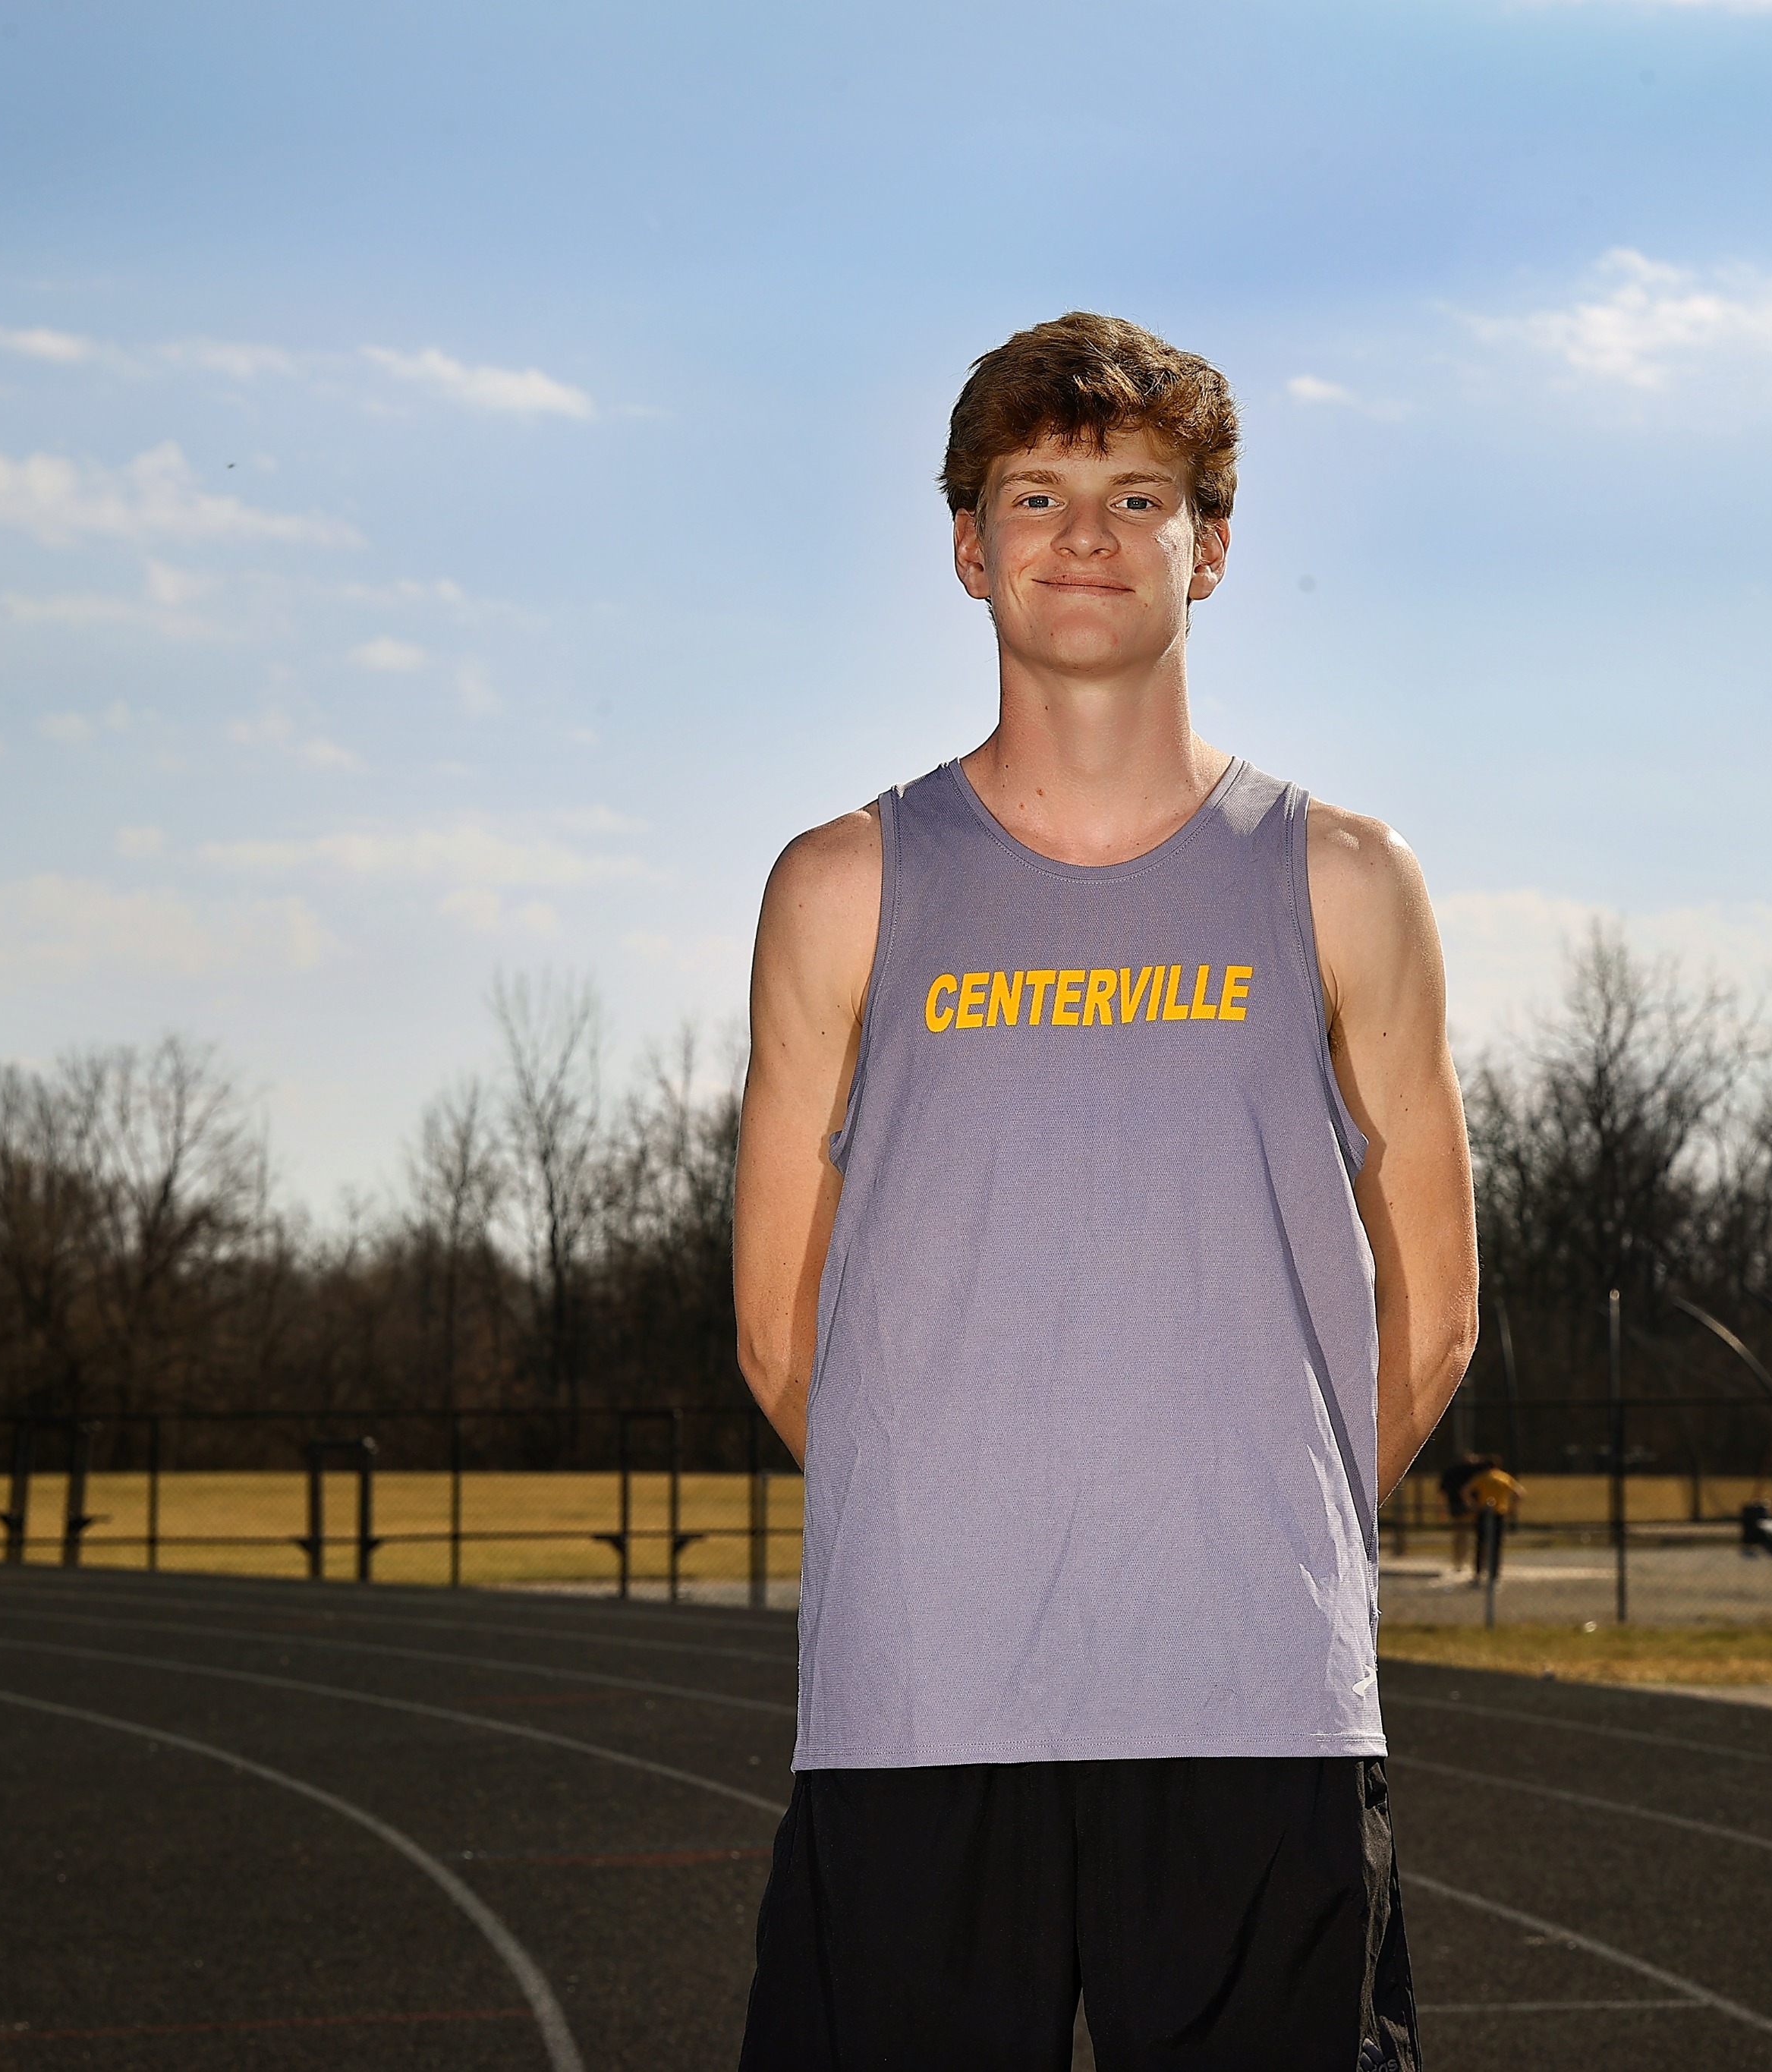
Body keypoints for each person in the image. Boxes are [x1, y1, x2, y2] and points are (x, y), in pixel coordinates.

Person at [729, 311, 1478, 2070]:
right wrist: (965, 1538)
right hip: (919, 1706)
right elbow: (775, 1333)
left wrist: (1243, 1537)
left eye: (1137, 495)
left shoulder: (1344, 879)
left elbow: (1435, 1313)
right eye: (1035, 495)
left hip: (1253, 1700)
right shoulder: (840, 885)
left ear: (1207, 548)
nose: (1085, 534)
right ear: (967, 547)